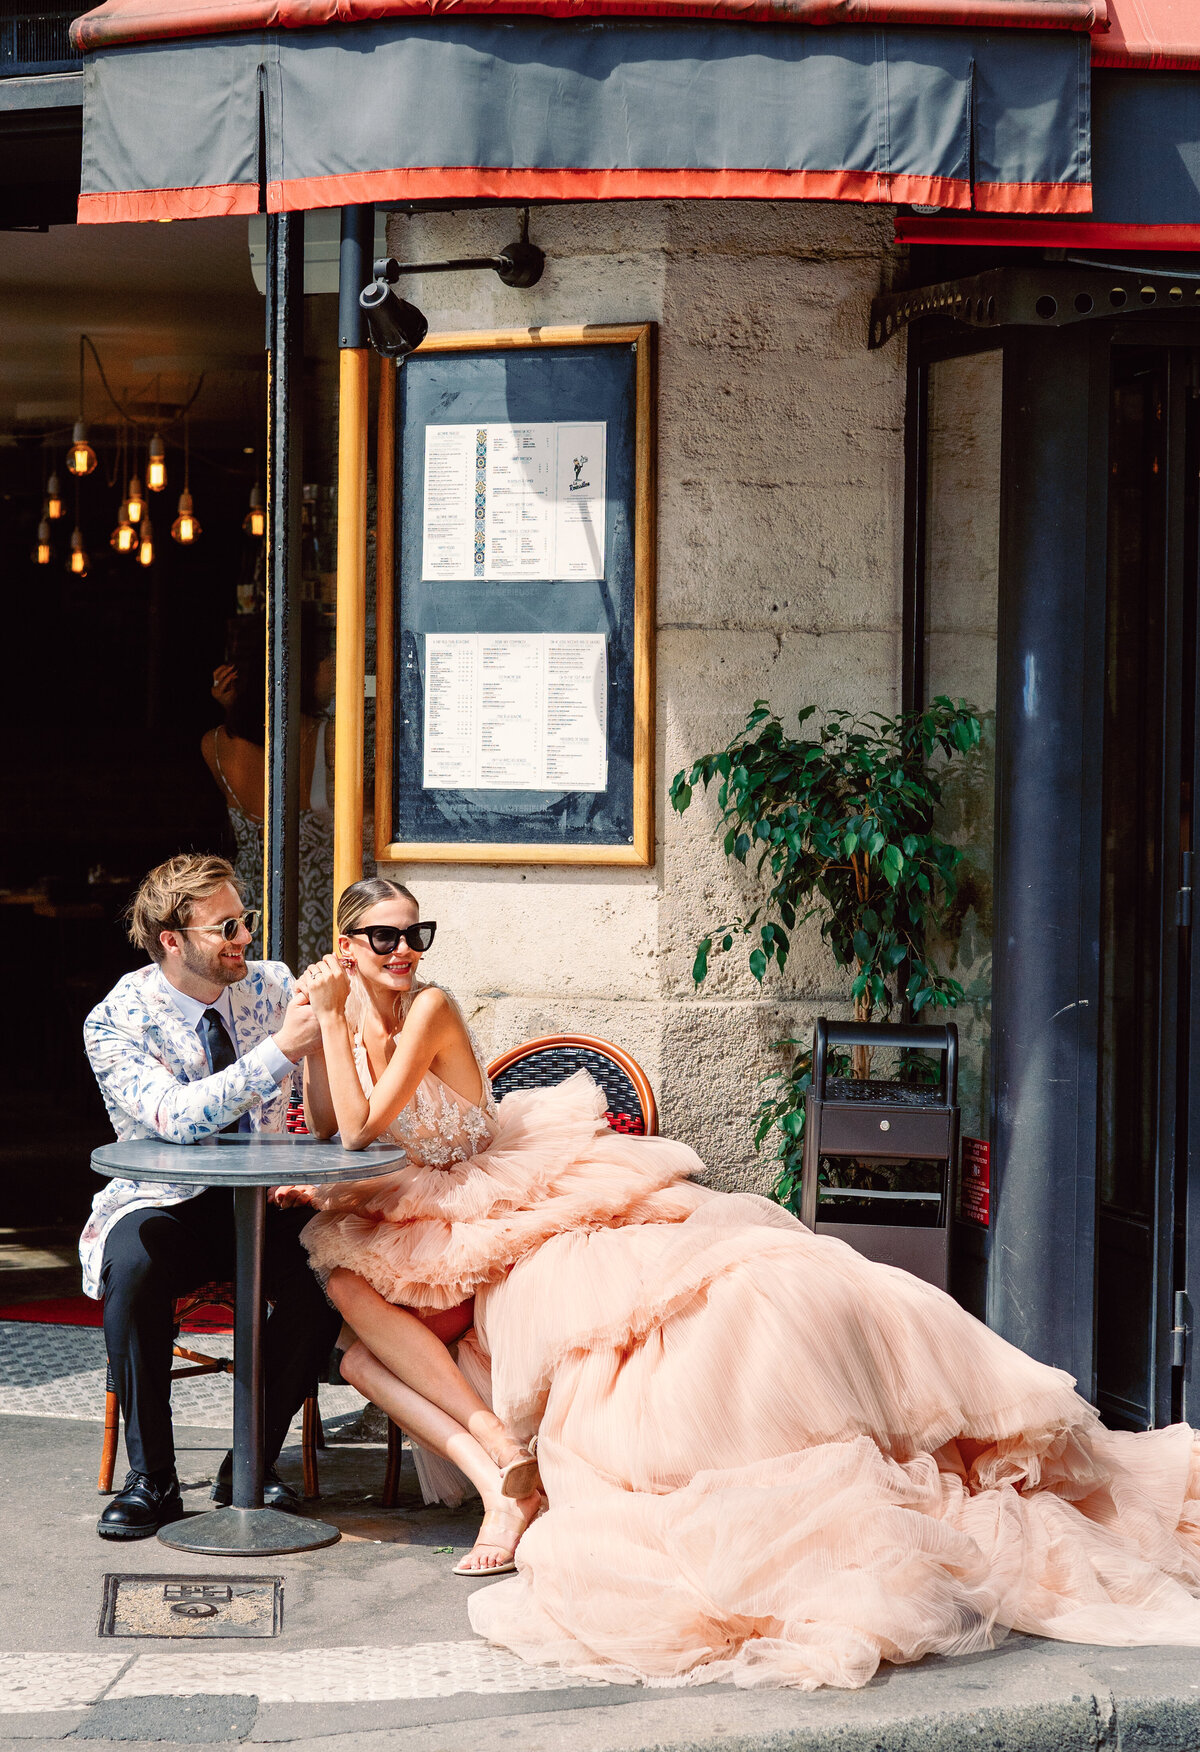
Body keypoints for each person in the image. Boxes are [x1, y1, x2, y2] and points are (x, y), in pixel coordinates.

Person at [291, 878, 1200, 1689]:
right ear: (348, 948)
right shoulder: (360, 1011)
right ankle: (501, 1466)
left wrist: (330, 1018)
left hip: (497, 1186)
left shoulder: (430, 1009)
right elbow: (335, 1122)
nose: (407, 952)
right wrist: (320, 1034)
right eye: (386, 939)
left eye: (418, 934)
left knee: (680, 1290)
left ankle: (510, 1470)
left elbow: (362, 1126)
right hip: (424, 1198)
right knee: (345, 1290)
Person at [81, 854, 341, 1542]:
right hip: (165, 1199)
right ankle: (153, 1479)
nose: (245, 938)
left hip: (266, 1195)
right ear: (172, 940)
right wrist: (281, 1050)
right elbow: (175, 1118)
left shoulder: (274, 986)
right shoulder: (114, 1021)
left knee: (331, 1273)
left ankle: (249, 1462)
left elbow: (328, 1086)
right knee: (131, 1270)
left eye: (246, 920)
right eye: (226, 926)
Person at [201, 627, 334, 969]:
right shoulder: (327, 737)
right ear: (304, 674)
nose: (335, 670)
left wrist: (232, 708)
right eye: (329, 662)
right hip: (314, 903)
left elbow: (259, 738)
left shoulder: (214, 744)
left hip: (249, 904)